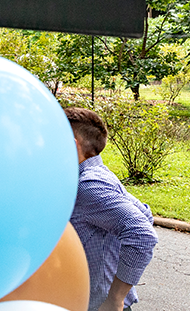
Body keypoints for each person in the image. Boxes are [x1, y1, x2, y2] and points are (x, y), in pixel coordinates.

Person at [64, 107, 159, 311]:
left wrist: (115, 299)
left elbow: (142, 233)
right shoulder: (98, 173)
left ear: (71, 146)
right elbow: (145, 213)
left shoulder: (88, 186)